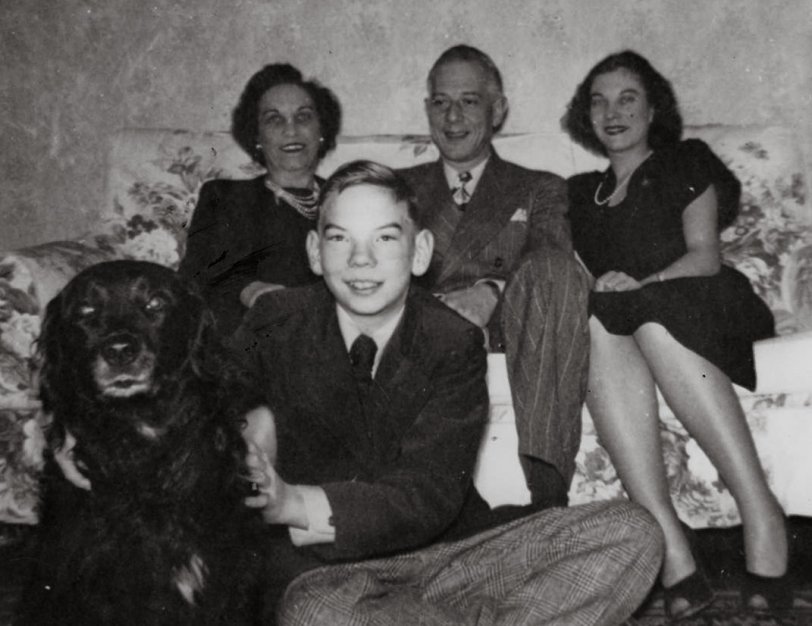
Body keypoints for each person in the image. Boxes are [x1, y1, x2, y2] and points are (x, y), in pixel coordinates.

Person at [234, 160, 664, 624]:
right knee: (314, 613)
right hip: (333, 572)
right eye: (341, 239)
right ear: (316, 251)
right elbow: (210, 408)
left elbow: (428, 495)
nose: (362, 260)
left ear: (420, 251)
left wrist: (292, 502)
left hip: (453, 554)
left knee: (632, 531)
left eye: (384, 237)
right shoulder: (276, 321)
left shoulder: (451, 339)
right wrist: (248, 437)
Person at [562, 50, 789, 619]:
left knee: (653, 315)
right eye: (598, 100)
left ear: (654, 107)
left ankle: (761, 513)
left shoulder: (686, 160)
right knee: (595, 320)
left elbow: (706, 257)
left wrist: (641, 284)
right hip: (635, 318)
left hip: (707, 304)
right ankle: (671, 546)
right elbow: (591, 281)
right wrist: (615, 289)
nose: (612, 112)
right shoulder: (579, 195)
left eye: (627, 98)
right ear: (585, 115)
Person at [398, 45, 589, 507]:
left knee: (556, 269)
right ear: (427, 110)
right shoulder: (396, 186)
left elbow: (550, 256)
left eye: (469, 101)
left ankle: (546, 491)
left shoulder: (538, 186)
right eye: (440, 102)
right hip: (422, 329)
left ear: (497, 108)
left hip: (513, 330)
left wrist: (491, 292)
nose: (453, 116)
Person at [179, 63, 341, 335]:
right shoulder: (225, 197)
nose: (291, 130)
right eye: (274, 119)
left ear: (321, 129)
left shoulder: (346, 198)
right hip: (251, 338)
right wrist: (250, 291)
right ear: (256, 136)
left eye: (303, 117)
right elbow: (194, 279)